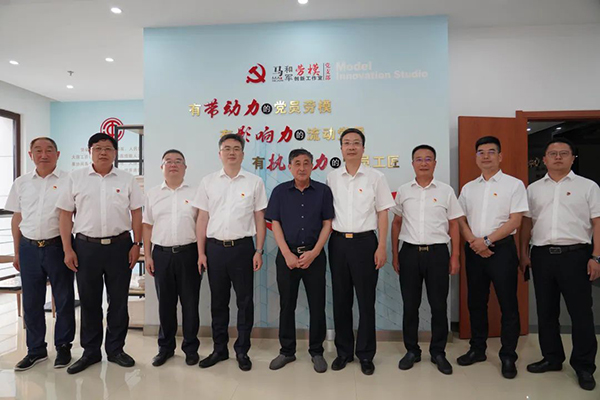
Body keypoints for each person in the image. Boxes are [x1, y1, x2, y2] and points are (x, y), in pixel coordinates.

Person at [57, 132, 144, 374]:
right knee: (89, 301)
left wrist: (137, 244)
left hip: (120, 246)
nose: (103, 152)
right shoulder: (75, 178)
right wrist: (67, 249)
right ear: (90, 152)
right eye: (97, 148)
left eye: (108, 148)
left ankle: (115, 349)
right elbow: (65, 215)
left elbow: (137, 212)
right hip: (86, 247)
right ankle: (91, 351)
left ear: (115, 153)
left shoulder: (127, 179)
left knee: (118, 301)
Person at [520, 137, 600, 391]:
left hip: (576, 255)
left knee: (581, 313)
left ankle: (584, 366)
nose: (557, 157)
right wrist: (523, 253)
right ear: (544, 159)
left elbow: (597, 222)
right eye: (552, 153)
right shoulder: (533, 189)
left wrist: (596, 256)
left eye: (563, 153)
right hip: (542, 255)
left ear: (572, 158)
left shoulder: (588, 187)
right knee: (546, 311)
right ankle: (552, 358)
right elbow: (527, 223)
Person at [194, 133, 267, 371]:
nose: (232, 152)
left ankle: (242, 351)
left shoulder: (254, 182)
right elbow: (202, 218)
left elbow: (260, 218)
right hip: (215, 249)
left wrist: (259, 250)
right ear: (220, 154)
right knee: (218, 302)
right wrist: (201, 253)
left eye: (236, 148)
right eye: (227, 148)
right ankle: (219, 349)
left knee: (245, 302)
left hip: (243, 249)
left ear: (243, 154)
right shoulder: (208, 182)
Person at [456, 136, 528, 379]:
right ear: (476, 157)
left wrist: (486, 241)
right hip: (474, 249)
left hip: (502, 250)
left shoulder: (514, 185)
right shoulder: (469, 188)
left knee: (508, 303)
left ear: (500, 156)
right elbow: (460, 219)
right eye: (481, 152)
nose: (485, 156)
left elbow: (515, 221)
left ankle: (508, 356)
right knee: (476, 302)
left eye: (491, 151)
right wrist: (473, 242)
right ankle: (477, 349)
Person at [326, 128, 395, 375]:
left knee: (366, 301)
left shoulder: (376, 177)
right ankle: (344, 352)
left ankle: (366, 354)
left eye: (356, 143)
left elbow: (383, 213)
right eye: (347, 143)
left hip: (366, 243)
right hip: (338, 243)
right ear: (341, 148)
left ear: (363, 148)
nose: (351, 147)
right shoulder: (332, 177)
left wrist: (382, 246)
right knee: (341, 300)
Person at [391, 144, 463, 375]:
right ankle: (411, 350)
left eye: (428, 159)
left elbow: (454, 224)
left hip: (438, 254)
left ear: (435, 163)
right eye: (419, 159)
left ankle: (438, 352)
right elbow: (396, 223)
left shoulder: (446, 191)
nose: (423, 163)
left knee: (438, 306)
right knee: (410, 306)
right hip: (409, 253)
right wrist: (395, 254)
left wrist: (455, 256)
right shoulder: (404, 191)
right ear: (412, 163)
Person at [6, 137, 75, 371]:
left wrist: (69, 249)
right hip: (28, 248)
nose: (43, 155)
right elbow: (17, 217)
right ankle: (35, 350)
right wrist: (16, 251)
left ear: (58, 154)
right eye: (38, 150)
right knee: (32, 301)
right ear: (30, 155)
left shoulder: (69, 181)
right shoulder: (21, 182)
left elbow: (72, 215)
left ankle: (63, 346)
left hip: (58, 246)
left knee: (64, 299)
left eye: (49, 150)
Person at [265, 149, 334, 373]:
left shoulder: (323, 191)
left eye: (306, 163)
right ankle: (287, 351)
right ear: (289, 167)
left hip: (315, 256)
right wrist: (287, 253)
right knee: (287, 305)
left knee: (317, 304)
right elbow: (275, 223)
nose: (302, 168)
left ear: (312, 166)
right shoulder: (279, 191)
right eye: (297, 163)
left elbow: (327, 223)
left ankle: (317, 351)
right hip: (287, 256)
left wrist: (314, 252)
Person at [143, 149, 201, 367]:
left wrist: (201, 254)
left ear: (185, 167)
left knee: (190, 304)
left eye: (178, 161)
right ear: (162, 167)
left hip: (189, 254)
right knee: (165, 305)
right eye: (168, 161)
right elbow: (147, 226)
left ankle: (191, 348)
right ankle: (165, 348)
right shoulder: (152, 194)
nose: (173, 164)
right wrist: (148, 255)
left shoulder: (196, 193)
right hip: (161, 255)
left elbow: (202, 226)